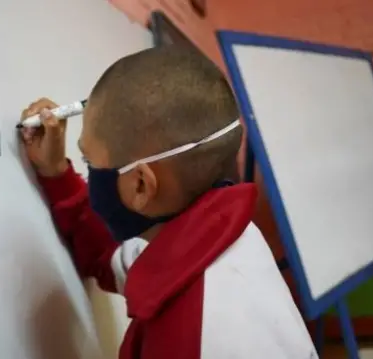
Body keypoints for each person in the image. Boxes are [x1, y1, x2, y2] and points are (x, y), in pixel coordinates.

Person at [19, 46, 317, 359]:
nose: (90, 174)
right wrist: (56, 174)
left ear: (142, 184)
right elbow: (108, 258)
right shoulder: (214, 237)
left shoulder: (201, 338)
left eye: (88, 161)